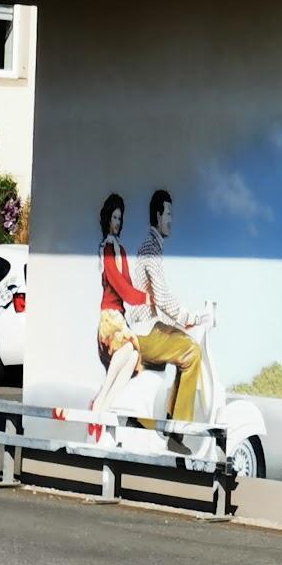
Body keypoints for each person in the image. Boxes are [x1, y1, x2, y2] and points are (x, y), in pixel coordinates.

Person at [127, 189, 203, 425]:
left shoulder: (152, 246)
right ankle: (179, 426)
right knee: (192, 351)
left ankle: (162, 420)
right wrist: (187, 316)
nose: (171, 219)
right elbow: (160, 294)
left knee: (181, 339)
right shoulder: (151, 247)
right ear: (158, 215)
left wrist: (179, 321)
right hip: (145, 331)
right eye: (169, 213)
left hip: (147, 327)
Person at [88, 193, 146, 443]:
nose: (118, 222)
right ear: (107, 220)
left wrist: (143, 298)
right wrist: (146, 298)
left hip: (120, 318)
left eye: (120, 218)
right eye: (114, 217)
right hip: (109, 317)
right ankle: (100, 400)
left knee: (133, 356)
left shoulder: (120, 250)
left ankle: (105, 407)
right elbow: (120, 287)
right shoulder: (107, 250)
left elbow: (129, 286)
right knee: (128, 349)